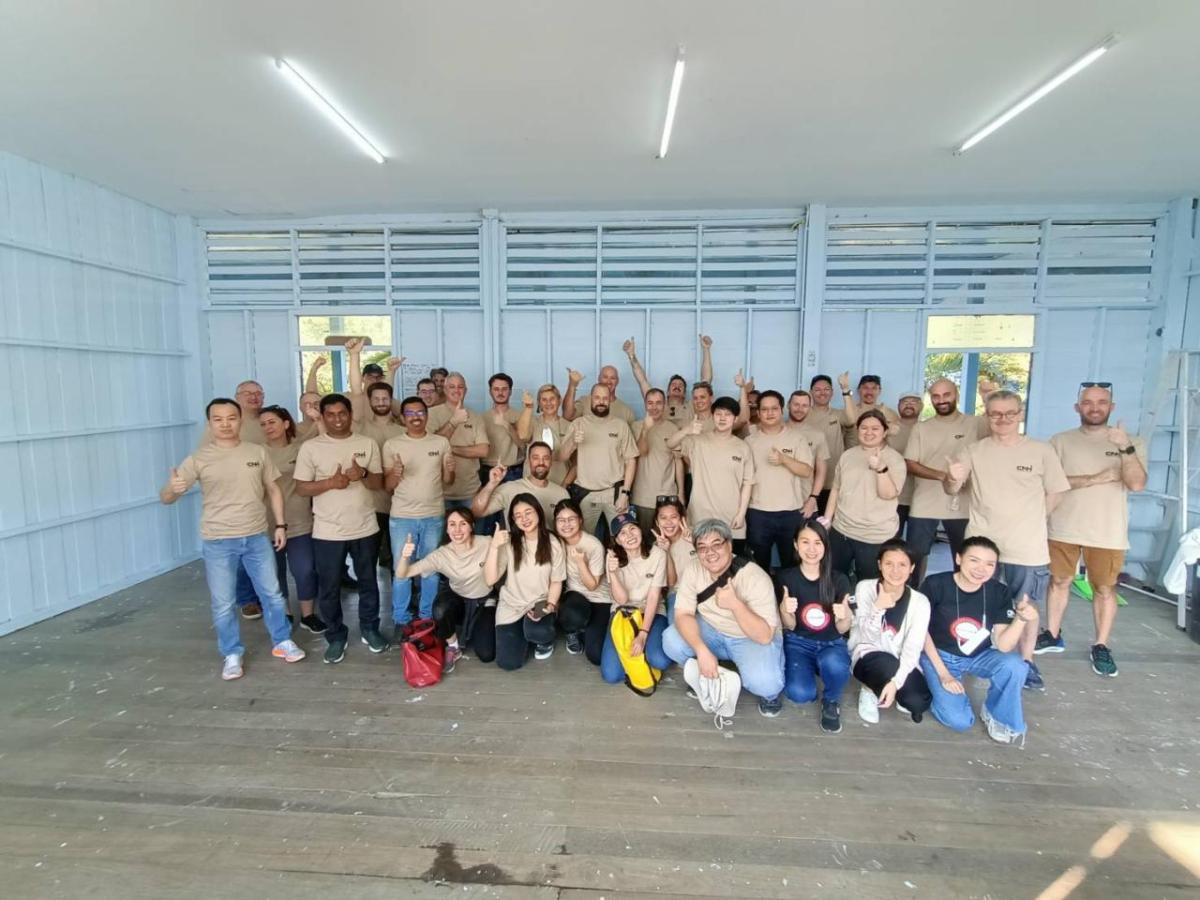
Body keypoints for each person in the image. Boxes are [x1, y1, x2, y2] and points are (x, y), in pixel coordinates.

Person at [160, 398, 305, 680]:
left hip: (255, 537)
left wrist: (280, 525)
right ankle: (231, 653)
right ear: (210, 424)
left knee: (272, 594)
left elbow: (273, 489)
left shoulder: (257, 452)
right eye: (218, 419)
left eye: (231, 418)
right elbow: (166, 498)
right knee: (224, 602)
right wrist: (173, 489)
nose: (225, 424)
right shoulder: (199, 458)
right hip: (218, 540)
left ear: (240, 421)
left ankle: (282, 641)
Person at [945, 390, 1069, 690]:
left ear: (1020, 414)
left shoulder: (1041, 451)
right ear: (987, 416)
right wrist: (952, 476)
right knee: (979, 601)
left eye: (1009, 413)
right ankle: (980, 654)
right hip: (982, 545)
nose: (1002, 419)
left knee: (1024, 607)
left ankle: (1027, 662)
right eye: (995, 414)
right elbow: (951, 489)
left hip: (1026, 546)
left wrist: (1032, 518)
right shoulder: (974, 450)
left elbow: (1057, 491)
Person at [1043, 384, 1147, 676]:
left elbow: (1137, 483)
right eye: (1087, 402)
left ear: (1111, 407)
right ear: (1078, 408)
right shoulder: (1060, 441)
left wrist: (1124, 447)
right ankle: (1051, 634)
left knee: (1104, 588)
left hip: (1107, 531)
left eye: (1101, 402)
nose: (1094, 407)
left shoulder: (1131, 442)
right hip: (1063, 526)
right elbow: (1052, 481)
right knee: (1059, 581)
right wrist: (1096, 478)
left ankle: (1101, 645)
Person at [294, 393, 387, 664]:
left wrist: (364, 475)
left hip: (365, 526)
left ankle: (370, 629)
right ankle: (335, 635)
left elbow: (379, 482)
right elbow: (301, 487)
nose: (337, 419)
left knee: (369, 582)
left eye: (342, 413)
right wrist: (329, 484)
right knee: (330, 587)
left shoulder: (366, 443)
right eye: (331, 415)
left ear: (350, 415)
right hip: (327, 531)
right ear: (323, 417)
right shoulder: (311, 447)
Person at [661, 518, 786, 717]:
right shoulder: (694, 568)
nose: (709, 553)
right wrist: (701, 651)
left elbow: (764, 636)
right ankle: (709, 669)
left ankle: (768, 695)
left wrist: (735, 605)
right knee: (671, 640)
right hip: (712, 631)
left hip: (749, 636)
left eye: (716, 544)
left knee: (766, 684)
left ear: (729, 544)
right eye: (702, 547)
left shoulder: (755, 577)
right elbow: (683, 614)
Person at [920, 536, 1037, 746]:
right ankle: (932, 688)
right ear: (958, 558)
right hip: (939, 656)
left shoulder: (998, 591)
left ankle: (997, 713)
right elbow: (921, 632)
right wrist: (944, 675)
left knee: (1015, 666)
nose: (981, 569)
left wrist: (1021, 619)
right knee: (959, 721)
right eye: (974, 560)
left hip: (979, 655)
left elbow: (1003, 645)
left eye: (989, 564)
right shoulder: (935, 584)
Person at [903, 379, 990, 581]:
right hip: (925, 503)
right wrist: (944, 476)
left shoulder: (975, 423)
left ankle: (962, 599)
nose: (941, 400)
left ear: (956, 395)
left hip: (963, 504)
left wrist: (986, 397)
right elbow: (910, 463)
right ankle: (914, 595)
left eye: (946, 395)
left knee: (965, 557)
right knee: (916, 556)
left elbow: (998, 425)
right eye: (936, 396)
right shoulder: (921, 428)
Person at [382, 396, 454, 632]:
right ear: (403, 418)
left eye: (420, 412)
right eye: (410, 413)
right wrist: (396, 472)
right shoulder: (392, 445)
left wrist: (449, 470)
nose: (416, 417)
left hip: (433, 515)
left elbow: (448, 482)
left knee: (430, 569)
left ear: (427, 415)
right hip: (402, 517)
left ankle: (426, 615)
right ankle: (401, 618)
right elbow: (387, 485)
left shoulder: (441, 442)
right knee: (402, 570)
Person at [395, 507, 496, 672]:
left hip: (485, 599)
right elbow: (403, 573)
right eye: (452, 524)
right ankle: (453, 646)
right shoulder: (442, 555)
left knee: (486, 655)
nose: (457, 530)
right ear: (447, 529)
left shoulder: (487, 542)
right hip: (459, 598)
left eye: (463, 524)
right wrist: (405, 556)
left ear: (471, 526)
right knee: (440, 608)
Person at [775, 520, 853, 733]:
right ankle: (815, 667)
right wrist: (784, 610)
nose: (811, 549)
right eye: (805, 542)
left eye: (818, 543)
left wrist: (845, 616)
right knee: (800, 694)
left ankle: (831, 700)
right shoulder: (785, 578)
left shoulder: (839, 579)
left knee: (835, 664)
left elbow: (842, 629)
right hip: (798, 642)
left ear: (825, 547)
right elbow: (789, 626)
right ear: (795, 545)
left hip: (831, 642)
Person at [848, 540, 932, 725]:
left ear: (912, 568)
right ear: (879, 564)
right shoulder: (865, 588)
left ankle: (888, 686)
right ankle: (869, 689)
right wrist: (877, 608)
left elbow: (913, 648)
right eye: (889, 564)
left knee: (918, 702)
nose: (895, 571)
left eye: (902, 564)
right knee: (882, 666)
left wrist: (896, 682)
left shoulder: (920, 602)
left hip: (898, 658)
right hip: (867, 654)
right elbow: (865, 637)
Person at [258, 405, 324, 633]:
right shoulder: (257, 453)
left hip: (299, 521)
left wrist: (317, 419)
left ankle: (308, 614)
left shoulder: (301, 449)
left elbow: (325, 439)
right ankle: (284, 612)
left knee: (305, 570)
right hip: (266, 524)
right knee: (274, 572)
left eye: (272, 422)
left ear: (286, 424)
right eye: (264, 424)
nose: (268, 427)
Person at [484, 495, 566, 669]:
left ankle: (541, 640)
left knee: (539, 631)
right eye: (518, 515)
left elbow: (557, 581)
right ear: (513, 519)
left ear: (538, 512)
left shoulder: (553, 542)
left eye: (528, 512)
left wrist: (550, 605)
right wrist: (494, 546)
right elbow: (490, 579)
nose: (524, 519)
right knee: (508, 663)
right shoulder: (510, 541)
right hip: (512, 604)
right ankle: (522, 632)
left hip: (540, 602)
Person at [825, 410, 907, 582]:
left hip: (875, 535)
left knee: (870, 585)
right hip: (842, 530)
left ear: (884, 431)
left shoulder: (895, 459)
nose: (868, 432)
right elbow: (836, 488)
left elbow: (888, 494)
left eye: (875, 428)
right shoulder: (848, 455)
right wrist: (827, 520)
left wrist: (881, 469)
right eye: (864, 428)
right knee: (834, 579)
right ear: (857, 429)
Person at [668, 396, 755, 551]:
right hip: (699, 517)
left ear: (735, 419)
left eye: (727, 415)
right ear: (713, 416)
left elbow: (747, 483)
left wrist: (741, 514)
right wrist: (687, 430)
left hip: (731, 520)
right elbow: (670, 444)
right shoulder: (697, 441)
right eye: (718, 414)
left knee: (731, 567)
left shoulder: (743, 447)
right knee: (699, 565)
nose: (722, 418)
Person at [557, 383, 639, 537]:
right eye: (597, 397)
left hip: (614, 494)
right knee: (582, 538)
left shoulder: (621, 426)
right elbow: (562, 456)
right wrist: (573, 442)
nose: (601, 401)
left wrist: (625, 494)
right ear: (590, 400)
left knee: (623, 537)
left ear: (609, 401)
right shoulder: (578, 424)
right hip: (586, 494)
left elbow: (631, 460)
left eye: (605, 398)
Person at [744, 390, 813, 571]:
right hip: (758, 512)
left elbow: (806, 471)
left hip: (790, 512)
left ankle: (788, 598)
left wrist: (784, 460)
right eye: (764, 409)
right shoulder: (749, 442)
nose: (769, 413)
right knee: (758, 566)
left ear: (782, 410)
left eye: (774, 408)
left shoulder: (797, 438)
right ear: (758, 413)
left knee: (792, 564)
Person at [601, 512, 673, 683]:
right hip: (623, 612)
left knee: (660, 660)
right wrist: (613, 573)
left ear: (640, 530)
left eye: (632, 528)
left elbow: (654, 596)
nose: (629, 535)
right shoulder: (612, 557)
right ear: (617, 540)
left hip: (651, 611)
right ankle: (633, 660)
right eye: (623, 533)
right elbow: (622, 600)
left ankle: (645, 652)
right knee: (612, 676)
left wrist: (643, 635)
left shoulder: (657, 554)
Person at [553, 498, 612, 662]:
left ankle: (586, 628)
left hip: (599, 598)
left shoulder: (593, 545)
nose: (566, 524)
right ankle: (573, 630)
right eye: (561, 520)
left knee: (596, 656)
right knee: (572, 613)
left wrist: (581, 562)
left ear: (580, 520)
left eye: (571, 519)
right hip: (574, 597)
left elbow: (593, 586)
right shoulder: (556, 543)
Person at [428, 372, 490, 516]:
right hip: (439, 493)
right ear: (444, 389)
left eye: (460, 387)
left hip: (470, 492)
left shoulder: (475, 416)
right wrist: (453, 422)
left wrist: (449, 448)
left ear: (466, 390)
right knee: (443, 538)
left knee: (472, 537)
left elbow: (483, 451)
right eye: (452, 386)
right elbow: (429, 447)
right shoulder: (431, 414)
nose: (456, 390)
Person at [624, 334, 714, 426]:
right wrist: (631, 355)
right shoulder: (658, 404)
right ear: (667, 392)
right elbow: (642, 380)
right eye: (674, 384)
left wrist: (706, 350)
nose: (677, 386)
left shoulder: (692, 406)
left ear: (684, 394)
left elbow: (706, 380)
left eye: (681, 385)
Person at [630, 388, 684, 534]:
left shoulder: (673, 428)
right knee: (643, 543)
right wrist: (645, 430)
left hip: (667, 498)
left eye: (659, 403)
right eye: (650, 403)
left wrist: (681, 493)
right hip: (642, 497)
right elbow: (641, 452)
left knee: (666, 542)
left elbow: (678, 462)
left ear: (665, 404)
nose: (654, 407)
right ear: (645, 404)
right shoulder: (636, 426)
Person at [473, 442, 569, 523]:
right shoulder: (510, 488)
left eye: (546, 458)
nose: (541, 462)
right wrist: (492, 484)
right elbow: (477, 511)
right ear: (528, 461)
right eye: (535, 458)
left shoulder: (561, 493)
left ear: (551, 462)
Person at [516, 383, 574, 485]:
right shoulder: (532, 422)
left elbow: (575, 462)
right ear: (539, 403)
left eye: (552, 399)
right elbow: (522, 435)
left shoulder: (570, 426)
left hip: (560, 484)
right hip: (532, 484)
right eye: (544, 400)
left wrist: (565, 484)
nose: (548, 403)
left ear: (559, 400)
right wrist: (528, 407)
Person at [786, 390, 830, 518]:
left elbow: (821, 471)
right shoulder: (777, 430)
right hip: (780, 503)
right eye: (796, 404)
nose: (800, 409)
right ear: (788, 405)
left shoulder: (818, 435)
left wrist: (813, 498)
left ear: (810, 408)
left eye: (804, 405)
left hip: (806, 503)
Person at [806, 375, 846, 512]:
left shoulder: (838, 414)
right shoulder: (803, 414)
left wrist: (845, 389)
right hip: (808, 483)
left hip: (833, 482)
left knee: (827, 524)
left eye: (826, 389)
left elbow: (852, 420)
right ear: (810, 392)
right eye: (817, 389)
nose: (822, 393)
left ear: (832, 392)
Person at [652, 498, 696, 620]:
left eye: (673, 517)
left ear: (682, 518)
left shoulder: (696, 535)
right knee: (677, 627)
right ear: (657, 522)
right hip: (678, 594)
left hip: (704, 589)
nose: (669, 522)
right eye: (663, 518)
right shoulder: (657, 547)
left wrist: (695, 544)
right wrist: (665, 551)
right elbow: (671, 582)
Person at [889, 391, 924, 539]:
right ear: (898, 406)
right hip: (896, 497)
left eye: (913, 402)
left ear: (921, 406)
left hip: (922, 497)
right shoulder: (888, 429)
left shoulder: (927, 429)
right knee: (891, 540)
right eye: (905, 402)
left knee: (919, 547)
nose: (909, 405)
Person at [481, 372, 525, 486]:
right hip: (487, 470)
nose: (500, 393)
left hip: (514, 472)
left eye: (504, 389)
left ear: (510, 391)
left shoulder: (521, 416)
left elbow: (524, 446)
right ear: (490, 391)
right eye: (496, 389)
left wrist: (507, 426)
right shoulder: (481, 418)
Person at [840, 372, 900, 449]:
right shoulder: (849, 411)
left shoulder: (889, 413)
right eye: (865, 388)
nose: (869, 392)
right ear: (859, 390)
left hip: (879, 457)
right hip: (852, 457)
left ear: (880, 391)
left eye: (874, 388)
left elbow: (894, 436)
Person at [564, 365, 637, 424]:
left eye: (613, 378)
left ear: (617, 381)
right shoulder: (584, 401)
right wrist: (572, 385)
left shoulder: (627, 411)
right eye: (605, 377)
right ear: (599, 378)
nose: (609, 381)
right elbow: (568, 416)